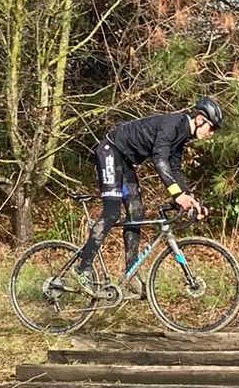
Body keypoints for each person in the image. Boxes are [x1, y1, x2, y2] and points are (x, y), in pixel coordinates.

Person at [58, 97, 223, 294]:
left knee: (136, 213)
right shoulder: (173, 124)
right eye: (212, 128)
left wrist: (190, 198)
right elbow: (160, 160)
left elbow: (174, 169)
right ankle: (82, 267)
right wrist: (177, 194)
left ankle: (130, 273)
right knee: (112, 212)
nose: (212, 133)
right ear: (200, 119)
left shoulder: (182, 135)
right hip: (110, 152)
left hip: (124, 162)